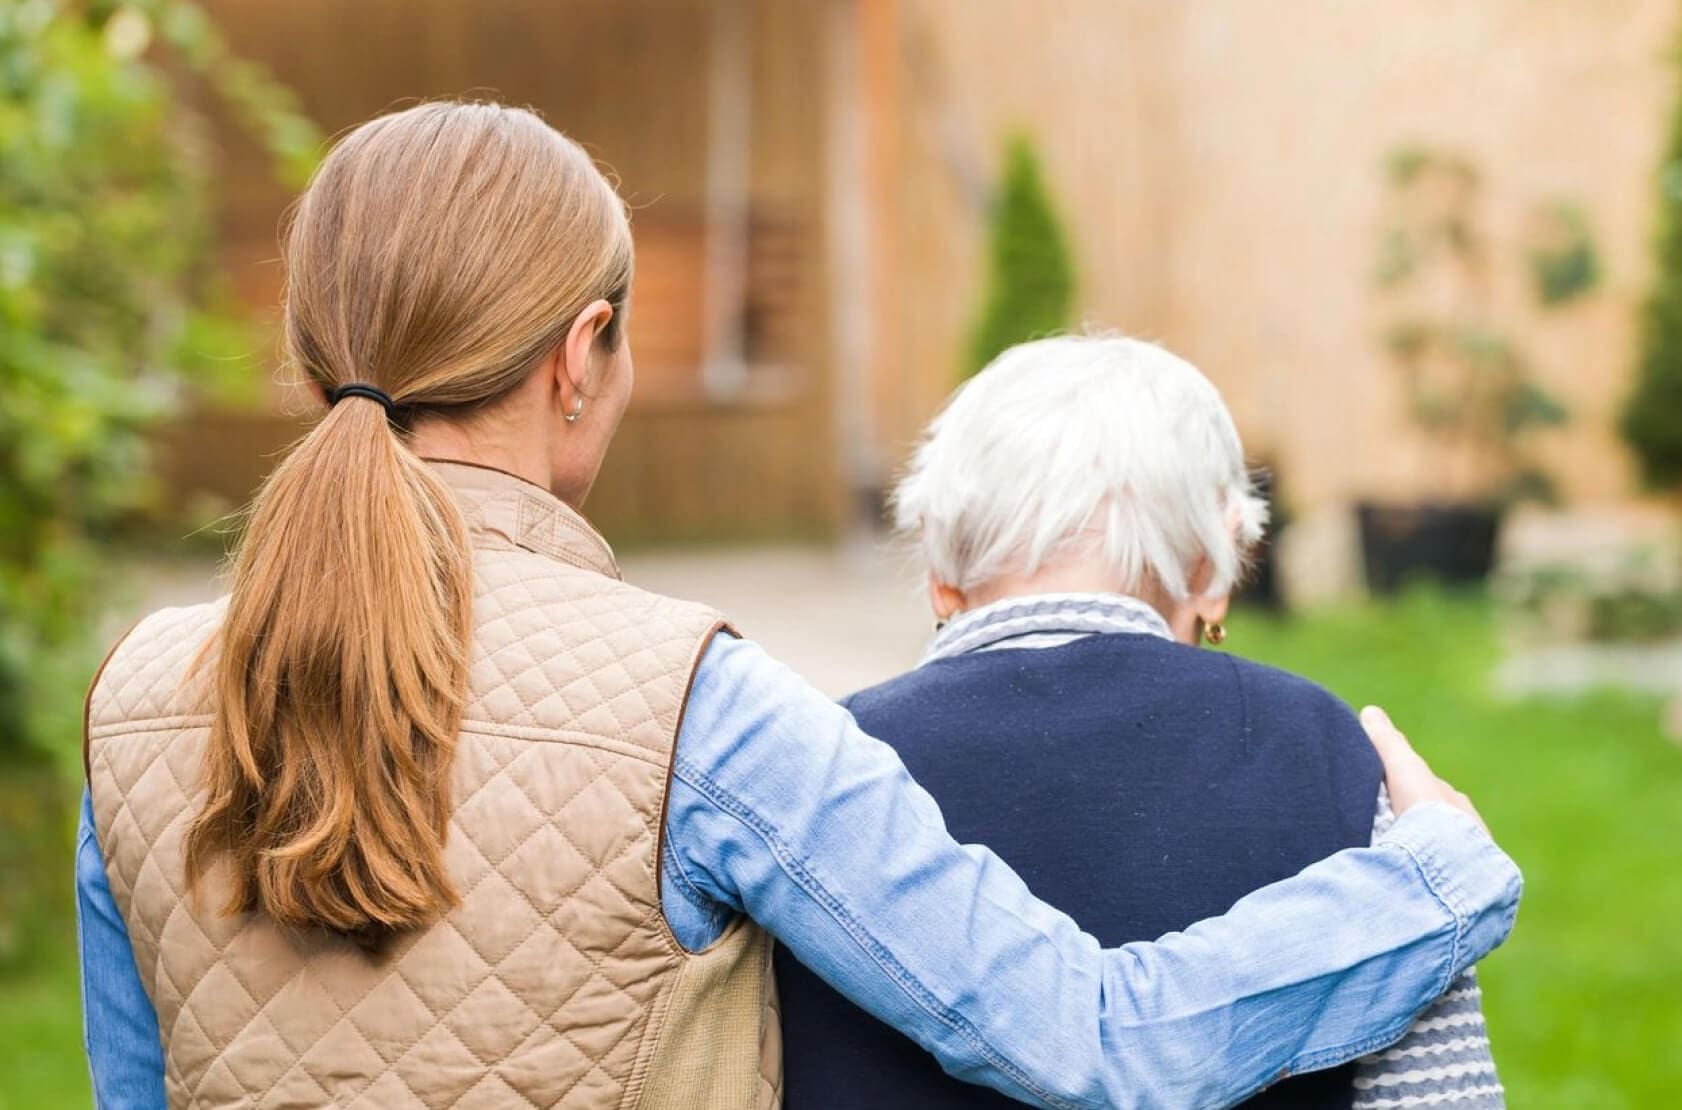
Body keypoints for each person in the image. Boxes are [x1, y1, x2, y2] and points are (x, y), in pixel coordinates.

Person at [77, 102, 1519, 1110]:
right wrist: (1429, 879)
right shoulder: (691, 704)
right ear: (585, 354)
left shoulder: (129, 700)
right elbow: (1093, 1038)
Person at [776, 334, 1506, 1109]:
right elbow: (1438, 1092)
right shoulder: (1335, 755)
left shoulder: (816, 770)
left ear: (939, 570)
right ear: (1213, 568)